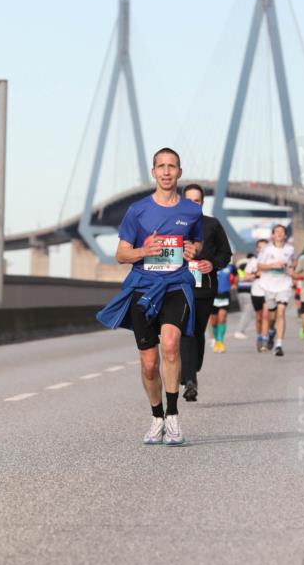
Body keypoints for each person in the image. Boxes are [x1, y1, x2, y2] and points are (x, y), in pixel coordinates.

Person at [96, 148, 203, 445]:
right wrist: (145, 250)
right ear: (153, 172)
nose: (167, 172)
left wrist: (195, 251)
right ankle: (156, 417)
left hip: (176, 285)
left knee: (171, 345)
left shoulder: (192, 211)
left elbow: (196, 244)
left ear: (179, 172)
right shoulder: (138, 211)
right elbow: (120, 254)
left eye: (172, 167)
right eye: (161, 167)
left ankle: (173, 416)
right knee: (149, 363)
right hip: (143, 288)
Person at [179, 183, 232, 401]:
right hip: (179, 286)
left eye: (197, 201)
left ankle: (192, 369)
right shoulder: (174, 225)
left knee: (198, 331)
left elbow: (226, 253)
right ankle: (190, 379)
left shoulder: (212, 225)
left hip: (205, 287)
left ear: (202, 203)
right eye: (189, 200)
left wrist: (212, 263)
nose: (193, 204)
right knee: (185, 331)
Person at [255, 224, 294, 357]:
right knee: (271, 316)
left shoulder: (290, 249)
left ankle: (279, 345)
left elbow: (294, 264)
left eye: (282, 231)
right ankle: (271, 331)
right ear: (273, 235)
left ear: (285, 234)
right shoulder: (266, 249)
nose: (279, 234)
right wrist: (272, 265)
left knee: (281, 312)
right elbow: (259, 265)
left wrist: (290, 268)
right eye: (277, 231)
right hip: (269, 284)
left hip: (284, 284)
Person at [242, 238, 269, 351]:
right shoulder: (253, 261)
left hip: (269, 292)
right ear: (257, 249)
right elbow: (245, 277)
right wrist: (256, 275)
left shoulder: (271, 261)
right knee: (259, 317)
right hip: (256, 292)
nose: (262, 249)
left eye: (265, 247)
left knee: (266, 316)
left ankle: (264, 339)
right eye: (260, 247)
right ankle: (259, 337)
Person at [209, 260, 237, 352]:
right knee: (213, 321)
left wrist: (234, 284)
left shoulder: (230, 266)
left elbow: (236, 275)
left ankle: (220, 342)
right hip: (213, 296)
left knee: (222, 318)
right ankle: (216, 340)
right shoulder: (211, 264)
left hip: (225, 295)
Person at [233, 251, 255, 339]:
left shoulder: (240, 265)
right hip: (248, 291)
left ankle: (241, 330)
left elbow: (237, 278)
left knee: (244, 312)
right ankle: (239, 330)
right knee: (247, 312)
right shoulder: (251, 266)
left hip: (240, 291)